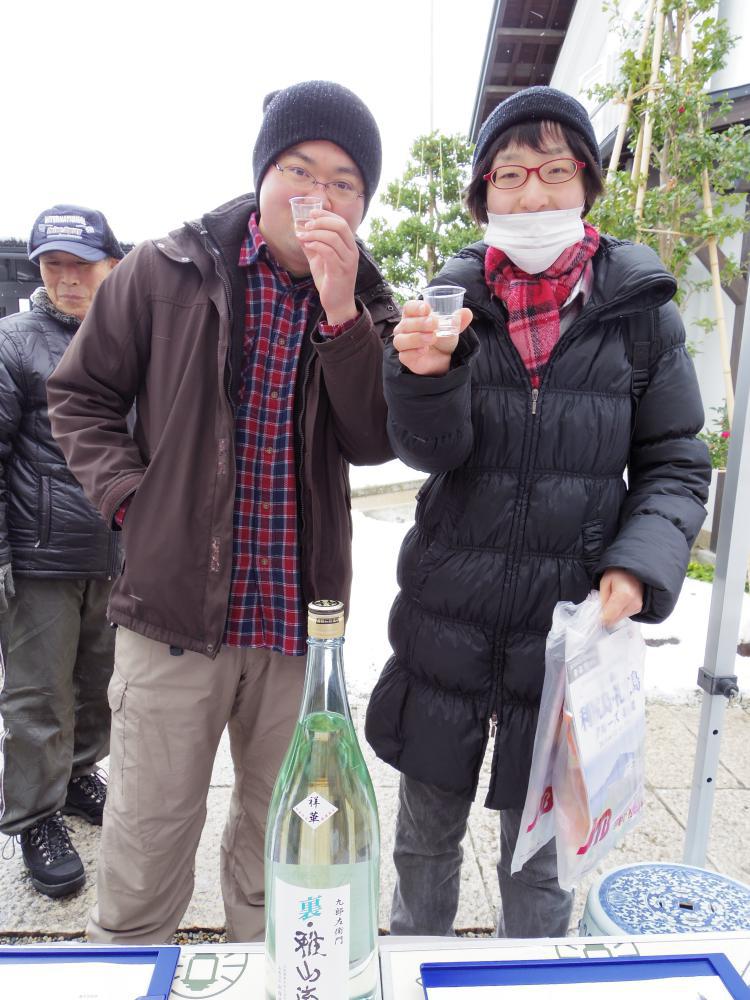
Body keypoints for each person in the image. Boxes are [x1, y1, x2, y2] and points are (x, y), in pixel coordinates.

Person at [47, 80, 398, 943]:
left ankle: (277, 975)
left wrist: (342, 312)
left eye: (345, 182)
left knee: (287, 843)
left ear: (363, 204)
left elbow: (373, 439)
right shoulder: (164, 269)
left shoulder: (369, 301)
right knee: (147, 838)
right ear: (262, 174)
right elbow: (80, 395)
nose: (319, 195)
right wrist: (131, 502)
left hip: (299, 627)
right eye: (299, 170)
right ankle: (131, 972)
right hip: (171, 615)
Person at [365, 86, 711, 939]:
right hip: (447, 619)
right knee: (422, 848)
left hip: (569, 635)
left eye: (555, 171)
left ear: (587, 183)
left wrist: (637, 564)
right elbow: (429, 452)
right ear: (483, 194)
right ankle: (415, 973)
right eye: (510, 174)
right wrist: (423, 377)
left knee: (544, 869)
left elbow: (674, 461)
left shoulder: (641, 312)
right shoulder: (448, 299)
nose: (532, 194)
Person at [0, 204, 124, 898]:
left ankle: (78, 777)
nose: (67, 279)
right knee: (37, 697)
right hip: (39, 556)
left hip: (115, 551)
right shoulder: (14, 342)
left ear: (113, 265)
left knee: (98, 685)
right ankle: (33, 817)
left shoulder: (132, 336)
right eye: (53, 265)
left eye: (81, 265)